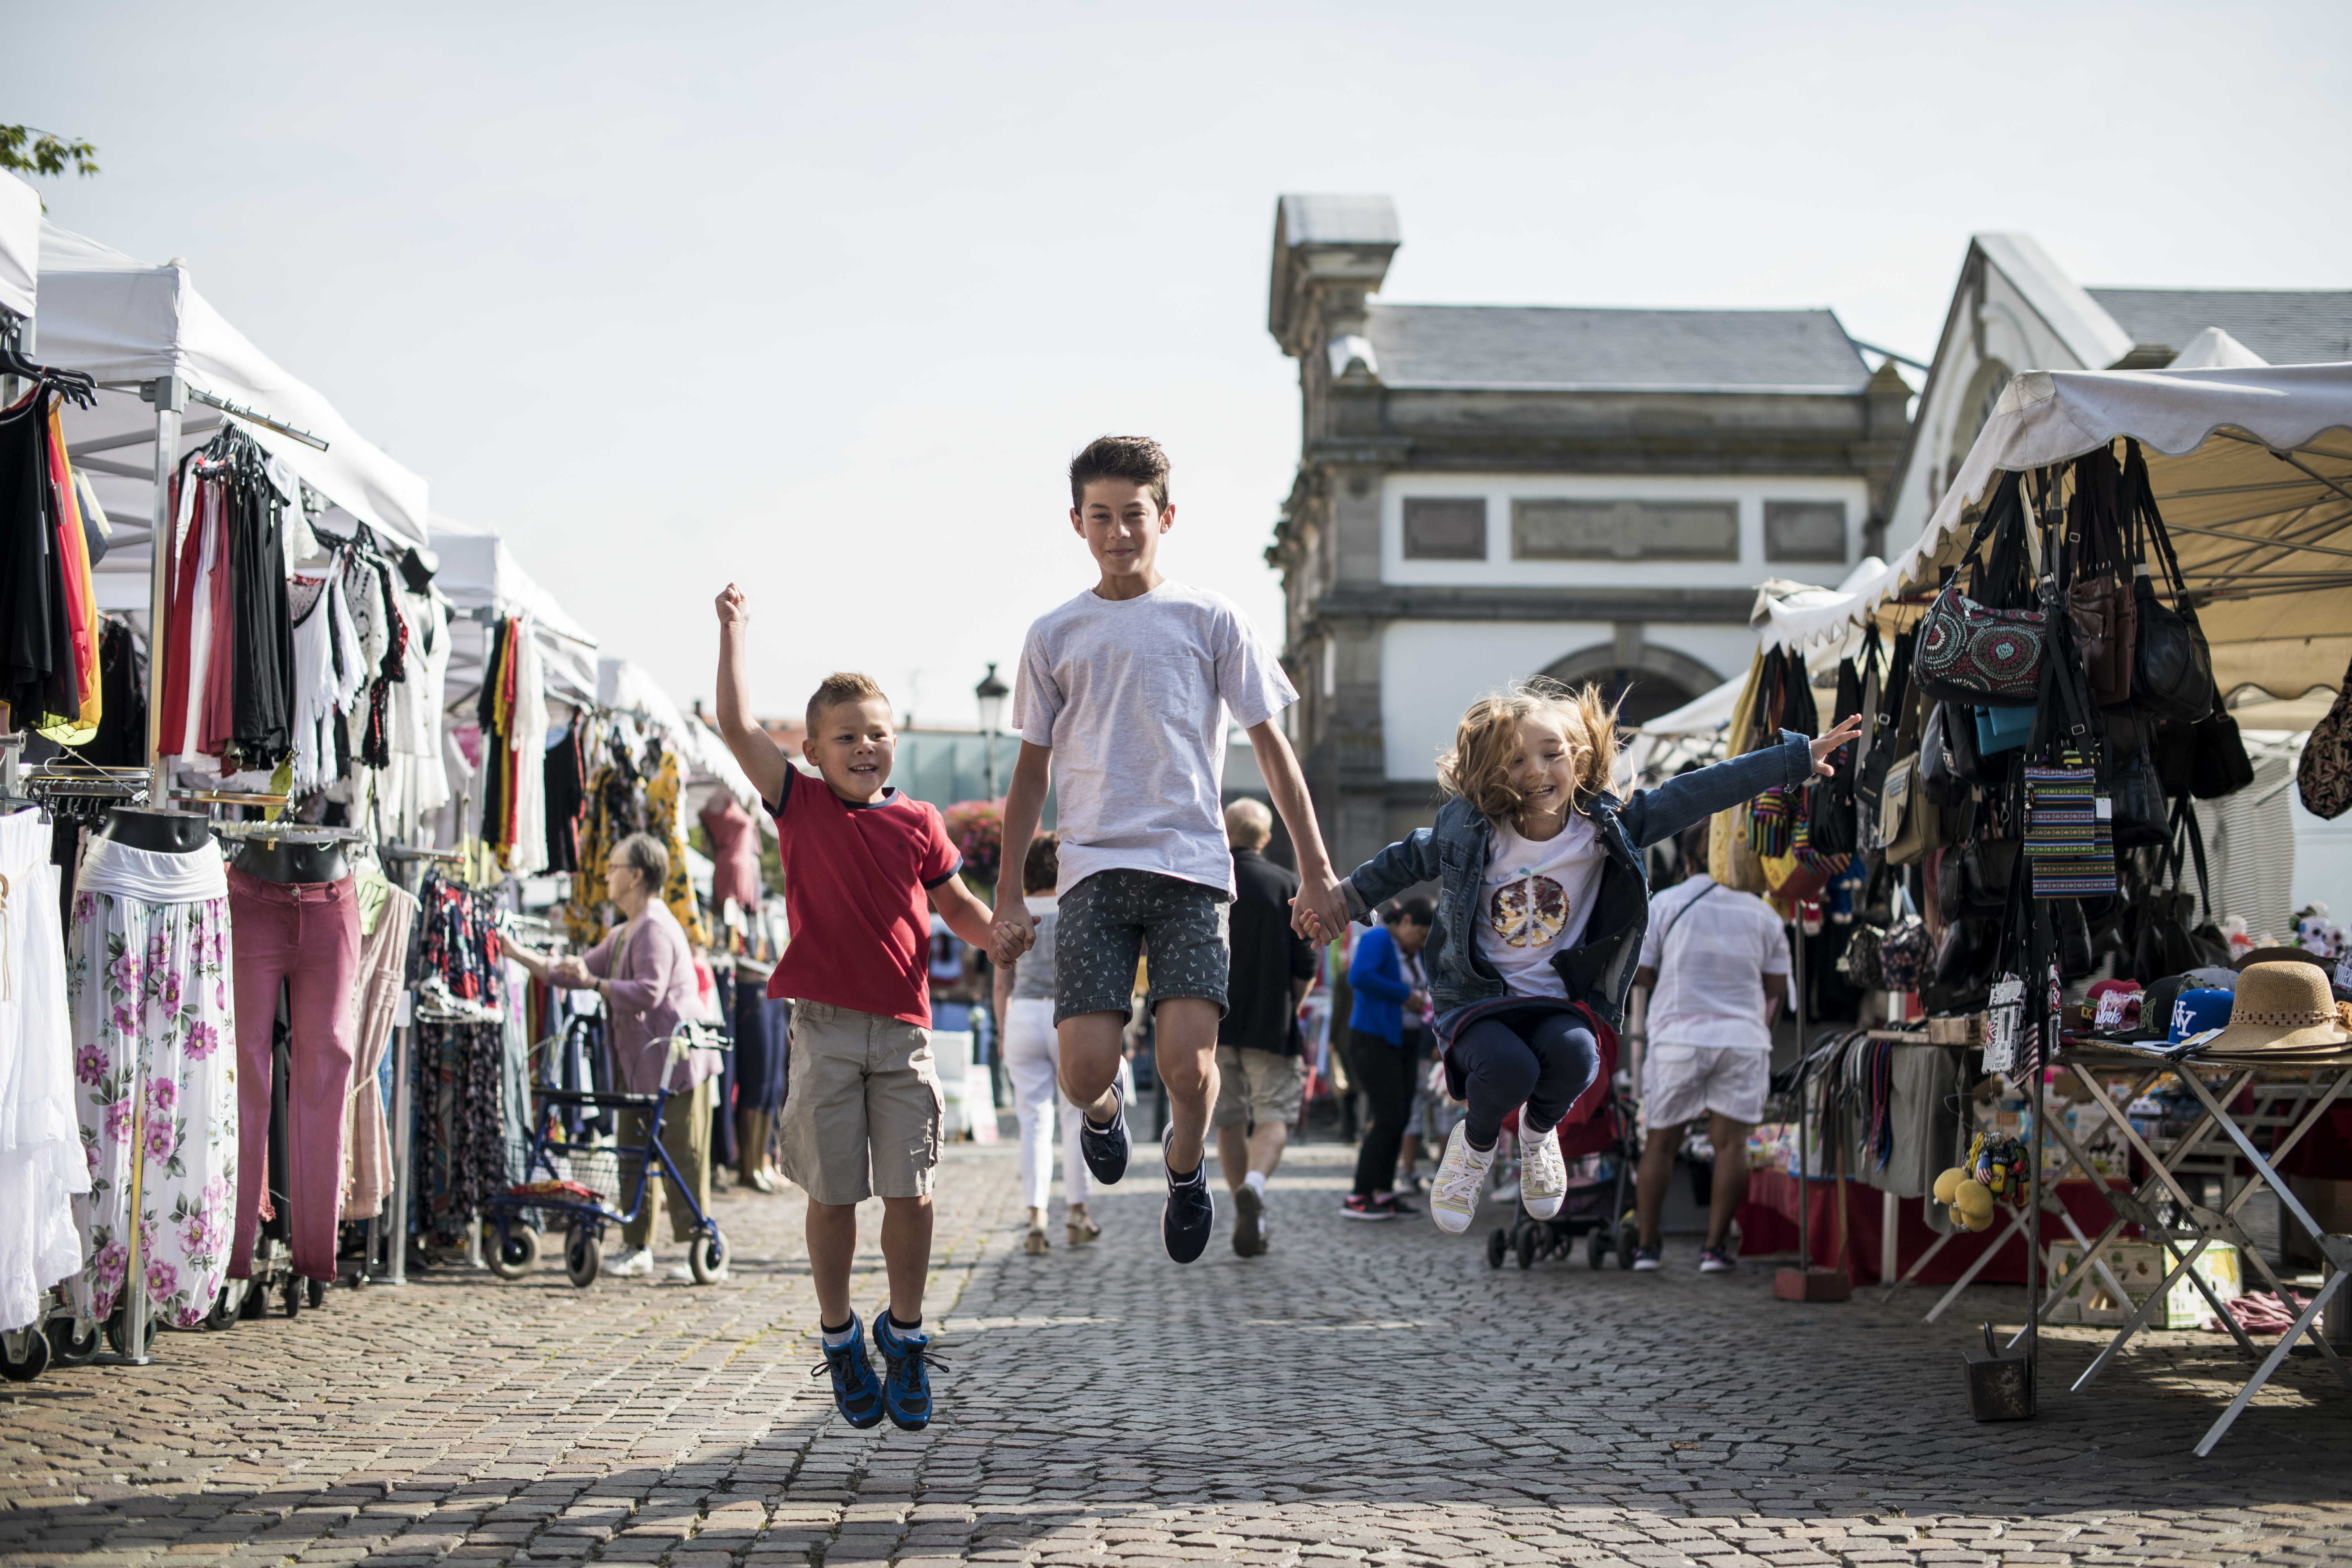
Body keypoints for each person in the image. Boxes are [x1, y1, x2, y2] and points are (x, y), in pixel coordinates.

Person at [1319, 678, 1858, 1234]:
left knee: (1580, 1060)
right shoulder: (1471, 828)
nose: (1535, 771)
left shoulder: (1605, 827)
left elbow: (1696, 792)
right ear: (1489, 773)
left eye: (1551, 755)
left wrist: (1793, 759)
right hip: (1480, 996)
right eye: (1516, 761)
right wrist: (1343, 897)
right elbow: (1405, 860)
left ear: (1577, 758)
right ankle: (1474, 1145)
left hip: (1558, 997)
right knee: (1508, 1069)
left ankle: (1538, 1133)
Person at [989, 435, 1349, 1264]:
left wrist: (1318, 867)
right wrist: (1010, 891)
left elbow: (1272, 752)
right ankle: (1108, 1116)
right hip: (1092, 871)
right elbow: (1030, 774)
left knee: (1189, 1069)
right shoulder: (1055, 634)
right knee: (1082, 1074)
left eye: (1135, 516)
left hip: (1191, 868)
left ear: (1168, 517)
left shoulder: (1212, 619)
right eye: (1102, 517)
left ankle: (1186, 1170)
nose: (1119, 532)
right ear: (1077, 523)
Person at [710, 588, 1001, 1434]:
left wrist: (1007, 938)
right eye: (847, 737)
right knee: (834, 1198)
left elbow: (961, 911)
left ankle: (903, 1334)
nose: (865, 747)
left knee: (912, 1194)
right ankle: (841, 1337)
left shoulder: (919, 822)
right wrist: (735, 631)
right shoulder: (795, 804)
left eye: (877, 734)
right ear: (814, 750)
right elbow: (733, 725)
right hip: (826, 1031)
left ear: (893, 742)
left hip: (905, 1034)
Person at [509, 831, 723, 1281]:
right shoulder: (625, 931)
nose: (607, 876)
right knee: (633, 1152)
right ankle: (636, 1244)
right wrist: (516, 953)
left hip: (674, 1063)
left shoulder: (656, 927)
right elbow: (574, 972)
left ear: (637, 876)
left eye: (614, 869)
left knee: (684, 1155)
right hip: (639, 1062)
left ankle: (701, 1249)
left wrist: (594, 985)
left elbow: (647, 991)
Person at [1630, 825, 1789, 1272]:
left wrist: (1672, 986)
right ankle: (1715, 1250)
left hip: (1678, 1038)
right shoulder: (1762, 912)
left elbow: (1640, 971)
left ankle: (1647, 1247)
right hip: (1741, 1040)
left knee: (1660, 1144)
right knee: (1731, 1146)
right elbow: (1776, 986)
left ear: (1686, 860)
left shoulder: (1666, 903)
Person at [991, 831, 1110, 1254]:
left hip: (1023, 1013)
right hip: (1069, 1016)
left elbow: (1001, 981)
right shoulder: (1075, 908)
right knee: (1075, 1116)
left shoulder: (1016, 913)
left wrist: (1004, 1032)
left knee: (1033, 1124)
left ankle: (1035, 1218)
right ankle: (1078, 1212)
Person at [1214, 798, 1319, 1255]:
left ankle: (1246, 1213)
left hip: (1211, 1023)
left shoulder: (1207, 881)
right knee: (1274, 1114)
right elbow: (1307, 962)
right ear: (1267, 838)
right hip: (1270, 1024)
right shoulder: (1286, 885)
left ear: (1225, 831)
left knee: (1230, 1120)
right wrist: (1289, 1006)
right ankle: (1254, 1186)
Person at [1342, 898, 1433, 1218]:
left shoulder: (1412, 952)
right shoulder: (1379, 938)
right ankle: (1359, 1195)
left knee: (1401, 1117)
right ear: (1405, 922)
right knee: (1387, 1118)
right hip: (1374, 1040)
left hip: (1404, 1041)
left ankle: (1383, 1192)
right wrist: (1405, 995)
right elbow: (1360, 977)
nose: (1422, 943)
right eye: (1421, 935)